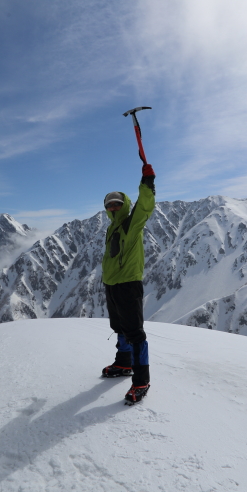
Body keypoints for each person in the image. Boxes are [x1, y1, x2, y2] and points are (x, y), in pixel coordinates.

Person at [101, 163, 156, 404]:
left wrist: (148, 183)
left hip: (128, 284)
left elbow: (144, 207)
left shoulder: (130, 225)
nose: (113, 206)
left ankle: (141, 380)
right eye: (109, 204)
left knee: (135, 332)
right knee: (120, 326)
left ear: (124, 205)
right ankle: (124, 363)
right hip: (112, 284)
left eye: (117, 203)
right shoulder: (112, 227)